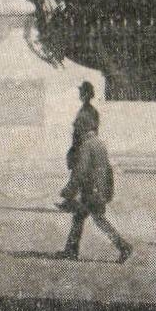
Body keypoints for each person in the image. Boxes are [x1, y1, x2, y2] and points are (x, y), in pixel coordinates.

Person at [57, 127, 132, 262]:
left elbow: (80, 171)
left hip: (90, 191)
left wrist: (68, 191)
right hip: (99, 190)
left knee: (97, 219)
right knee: (80, 218)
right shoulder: (99, 143)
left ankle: (124, 246)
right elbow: (106, 169)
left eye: (75, 133)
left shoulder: (86, 146)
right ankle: (70, 251)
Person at [58, 81, 100, 209]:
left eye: (82, 92)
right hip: (81, 147)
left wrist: (78, 147)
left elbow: (89, 131)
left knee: (79, 176)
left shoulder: (89, 111)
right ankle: (77, 202)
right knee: (81, 176)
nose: (80, 94)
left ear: (87, 94)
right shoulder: (87, 110)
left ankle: (73, 203)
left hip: (83, 147)